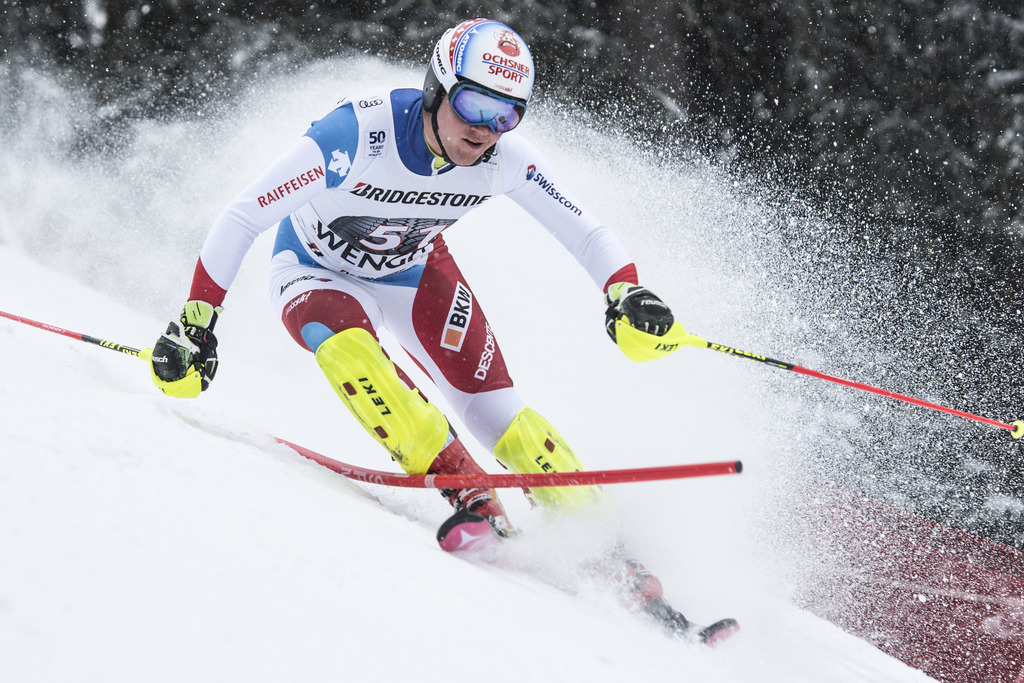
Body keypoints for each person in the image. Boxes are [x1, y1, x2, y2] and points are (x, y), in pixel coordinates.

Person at [149, 18, 731, 642]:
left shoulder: (502, 160)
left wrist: (626, 289)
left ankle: (607, 548)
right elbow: (242, 215)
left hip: (413, 271)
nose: (484, 130)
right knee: (350, 351)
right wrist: (197, 320)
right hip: (314, 270)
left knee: (497, 411)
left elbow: (586, 231)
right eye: (475, 104)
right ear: (437, 87)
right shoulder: (357, 133)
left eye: (507, 116)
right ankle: (471, 495)